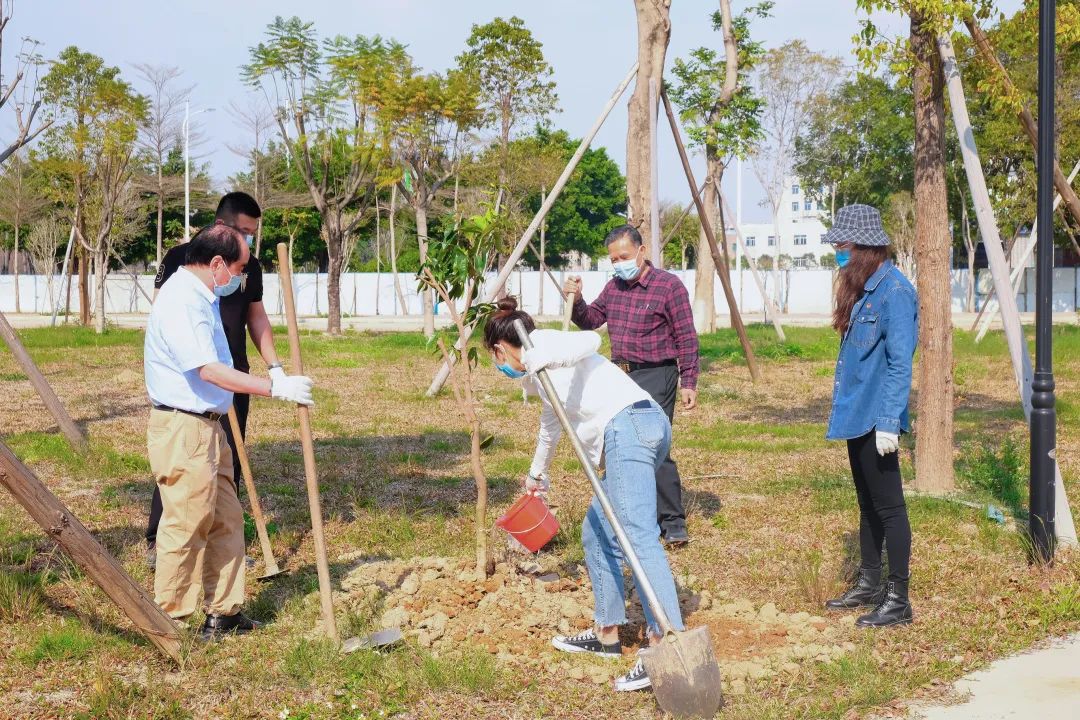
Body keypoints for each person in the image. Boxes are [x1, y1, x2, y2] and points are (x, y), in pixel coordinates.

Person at [484, 298, 685, 693]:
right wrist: (536, 473)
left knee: (636, 536)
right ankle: (606, 633)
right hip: (639, 428)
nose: (499, 366)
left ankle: (666, 645)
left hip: (630, 425)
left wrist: (545, 356)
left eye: (495, 359)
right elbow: (550, 425)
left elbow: (592, 340)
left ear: (499, 349)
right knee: (597, 533)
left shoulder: (542, 343)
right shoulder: (539, 375)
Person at [144, 223, 314, 641]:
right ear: (217, 263)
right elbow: (208, 370)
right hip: (184, 428)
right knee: (187, 522)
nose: (240, 278)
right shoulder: (182, 300)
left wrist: (274, 371)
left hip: (209, 427)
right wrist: (273, 388)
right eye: (239, 269)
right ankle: (168, 625)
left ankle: (224, 612)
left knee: (226, 518)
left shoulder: (202, 297)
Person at [146, 192, 283, 566]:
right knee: (186, 468)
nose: (248, 241)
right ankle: (162, 540)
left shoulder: (249, 266)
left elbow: (256, 317)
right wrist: (272, 388)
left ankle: (221, 548)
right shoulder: (182, 262)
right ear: (222, 227)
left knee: (227, 462)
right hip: (193, 383)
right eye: (243, 231)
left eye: (252, 233)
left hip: (234, 375)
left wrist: (275, 367)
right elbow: (167, 320)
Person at [564, 225, 699, 545]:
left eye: (623, 256)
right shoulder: (614, 288)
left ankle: (672, 521)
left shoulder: (669, 287)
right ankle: (631, 514)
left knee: (651, 443)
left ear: (641, 251)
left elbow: (686, 336)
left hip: (657, 374)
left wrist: (689, 380)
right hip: (620, 375)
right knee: (619, 444)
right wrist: (577, 299)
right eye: (613, 259)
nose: (619, 263)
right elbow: (590, 320)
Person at [822, 204, 918, 628]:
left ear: (865, 247)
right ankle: (869, 582)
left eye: (843, 246)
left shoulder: (895, 292)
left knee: (890, 507)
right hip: (856, 413)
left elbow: (900, 363)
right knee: (868, 504)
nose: (838, 253)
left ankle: (899, 600)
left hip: (878, 417)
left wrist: (889, 422)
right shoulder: (864, 289)